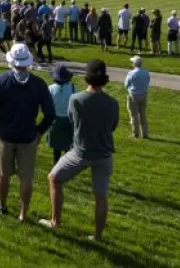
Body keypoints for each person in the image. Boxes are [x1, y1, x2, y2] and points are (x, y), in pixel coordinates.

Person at [40, 59, 119, 242]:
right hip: (104, 154)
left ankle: (55, 222)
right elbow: (113, 126)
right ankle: (98, 236)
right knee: (101, 196)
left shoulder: (76, 99)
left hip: (80, 152)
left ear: (87, 77)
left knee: (54, 178)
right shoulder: (112, 102)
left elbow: (72, 121)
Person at [0, 43, 55, 221]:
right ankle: (23, 214)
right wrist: (39, 132)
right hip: (28, 136)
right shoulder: (38, 84)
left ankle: (2, 207)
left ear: (11, 61)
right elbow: (50, 114)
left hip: (4, 135)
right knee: (26, 178)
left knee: (3, 175)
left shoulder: (0, 80)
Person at [45, 65, 75, 164]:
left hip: (55, 120)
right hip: (68, 120)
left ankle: (56, 164)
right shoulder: (73, 88)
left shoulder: (50, 88)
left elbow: (47, 104)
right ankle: (66, 166)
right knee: (68, 145)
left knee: (56, 147)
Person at [124, 55, 150, 138]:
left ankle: (135, 133)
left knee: (134, 116)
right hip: (144, 95)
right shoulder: (146, 72)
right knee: (143, 115)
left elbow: (126, 85)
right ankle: (145, 133)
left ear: (134, 64)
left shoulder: (131, 73)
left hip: (134, 95)